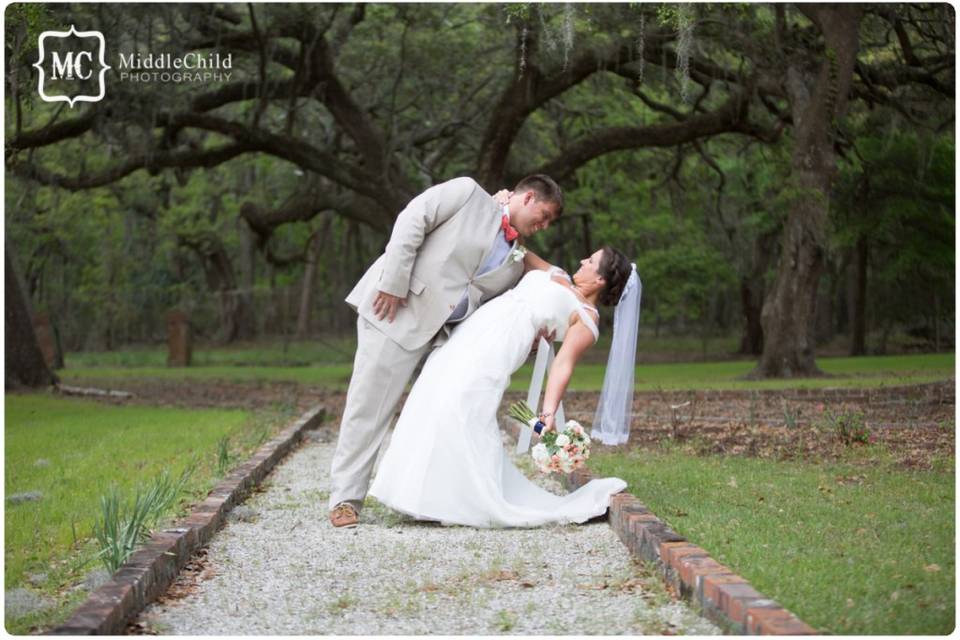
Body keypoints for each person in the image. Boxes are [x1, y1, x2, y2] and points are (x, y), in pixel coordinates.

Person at [328, 174, 564, 528]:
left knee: (442, 415)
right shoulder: (467, 193)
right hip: (395, 311)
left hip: (443, 340)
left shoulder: (516, 262)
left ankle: (427, 499)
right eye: (543, 216)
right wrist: (393, 283)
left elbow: (497, 305)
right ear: (528, 197)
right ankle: (345, 499)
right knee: (369, 407)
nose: (543, 226)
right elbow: (412, 219)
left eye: (548, 223)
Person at [368, 246, 641, 527]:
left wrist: (548, 412)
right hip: (475, 329)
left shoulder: (586, 318)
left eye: (591, 260)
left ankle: (462, 499)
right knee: (435, 392)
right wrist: (502, 205)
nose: (583, 259)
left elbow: (563, 364)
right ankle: (420, 494)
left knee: (465, 406)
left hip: (502, 345)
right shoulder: (556, 273)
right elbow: (518, 250)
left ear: (600, 281)